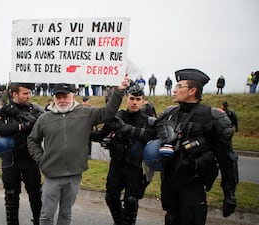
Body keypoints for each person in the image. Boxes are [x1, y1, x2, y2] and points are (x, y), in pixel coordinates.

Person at [27, 77, 129, 225]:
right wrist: (41, 159)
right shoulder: (44, 118)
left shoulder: (85, 113)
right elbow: (32, 140)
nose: (62, 100)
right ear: (54, 98)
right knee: (46, 215)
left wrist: (119, 91)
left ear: (73, 95)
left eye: (65, 96)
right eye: (58, 97)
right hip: (52, 175)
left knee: (66, 213)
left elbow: (108, 112)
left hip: (74, 175)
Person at [152, 69, 239, 225]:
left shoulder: (212, 117)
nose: (174, 90)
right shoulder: (169, 113)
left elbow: (227, 159)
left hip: (193, 187)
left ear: (192, 91)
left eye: (179, 86)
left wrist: (229, 193)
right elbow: (150, 138)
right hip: (170, 184)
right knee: (171, 219)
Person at [91, 84, 155, 225]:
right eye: (132, 98)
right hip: (117, 164)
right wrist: (83, 131)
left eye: (138, 99)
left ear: (143, 101)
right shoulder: (118, 116)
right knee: (111, 197)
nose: (134, 102)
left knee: (131, 200)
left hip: (135, 167)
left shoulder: (148, 121)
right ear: (127, 99)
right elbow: (101, 135)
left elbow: (151, 139)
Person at [0, 83, 45, 225]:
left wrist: (25, 123)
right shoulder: (4, 110)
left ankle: (39, 222)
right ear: (14, 94)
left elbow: (44, 123)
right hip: (10, 160)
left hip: (30, 158)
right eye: (25, 93)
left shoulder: (35, 109)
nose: (28, 96)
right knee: (11, 197)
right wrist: (19, 126)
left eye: (29, 93)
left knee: (36, 195)